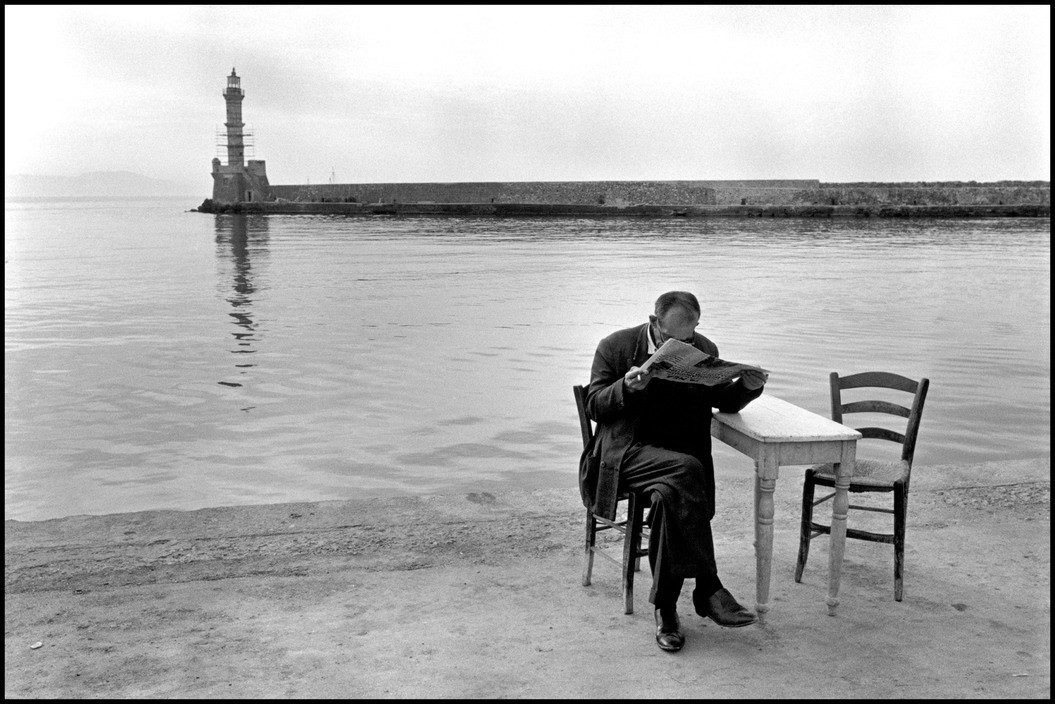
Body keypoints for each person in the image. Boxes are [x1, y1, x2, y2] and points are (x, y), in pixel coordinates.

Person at [579, 291, 768, 653]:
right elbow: (593, 405)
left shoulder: (702, 347)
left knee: (670, 496)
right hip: (627, 454)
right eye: (676, 339)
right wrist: (626, 388)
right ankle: (708, 587)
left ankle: (666, 612)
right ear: (655, 324)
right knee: (686, 469)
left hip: (675, 465)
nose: (688, 342)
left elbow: (722, 400)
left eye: (693, 333)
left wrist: (747, 386)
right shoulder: (617, 346)